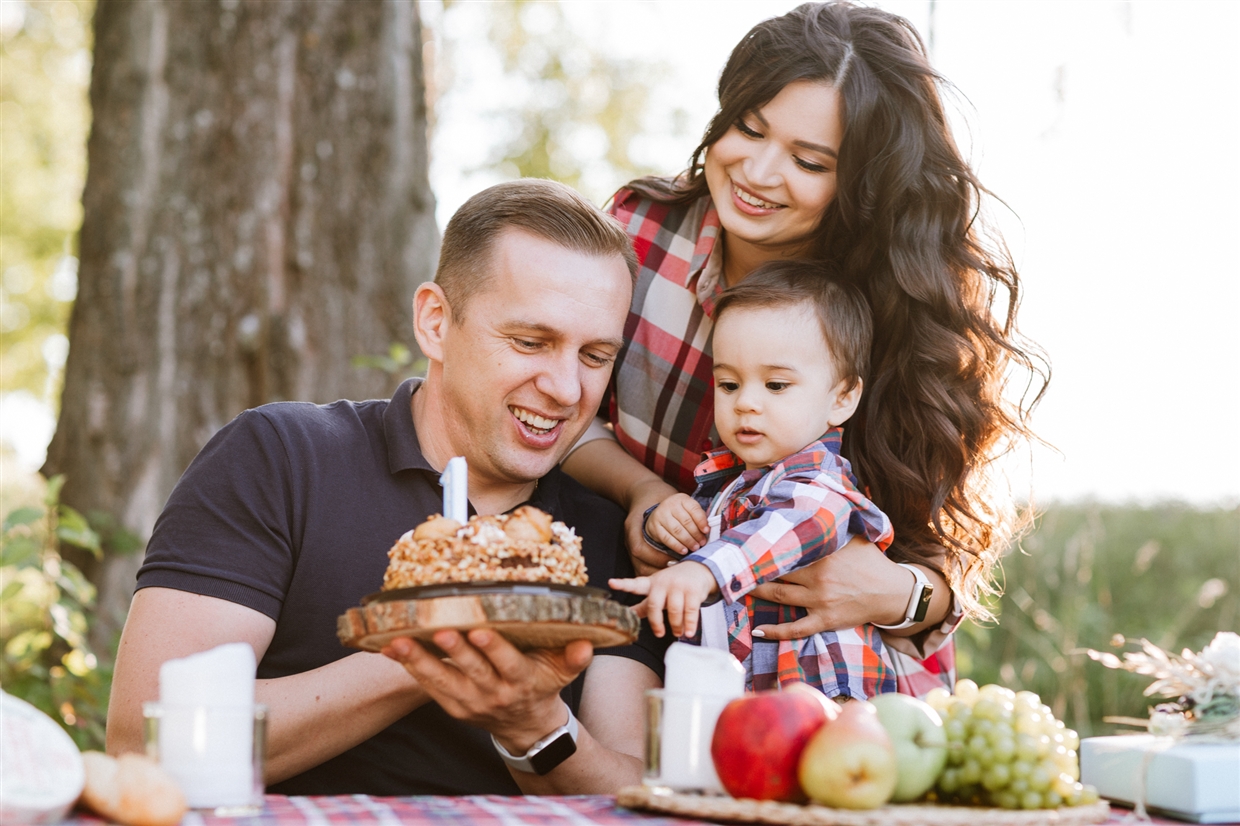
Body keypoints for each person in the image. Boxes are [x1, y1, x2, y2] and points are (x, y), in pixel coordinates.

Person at [106, 179, 668, 796]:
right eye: (530, 342)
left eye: (594, 356)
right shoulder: (283, 458)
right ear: (434, 322)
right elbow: (146, 742)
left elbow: (635, 792)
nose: (565, 388)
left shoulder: (603, 533)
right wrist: (420, 658)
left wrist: (535, 724)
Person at [562, 1, 1047, 697]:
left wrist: (888, 594)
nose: (758, 171)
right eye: (747, 129)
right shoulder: (639, 234)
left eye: (808, 160)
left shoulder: (900, 310)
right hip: (649, 635)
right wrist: (641, 492)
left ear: (861, 184)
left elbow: (942, 574)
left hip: (839, 678)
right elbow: (567, 412)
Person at [611, 262, 898, 699]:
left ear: (842, 398)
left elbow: (794, 526)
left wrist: (701, 569)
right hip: (749, 706)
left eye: (776, 385)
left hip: (827, 706)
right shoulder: (726, 486)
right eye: (728, 384)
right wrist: (664, 523)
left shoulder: (820, 485)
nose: (746, 402)